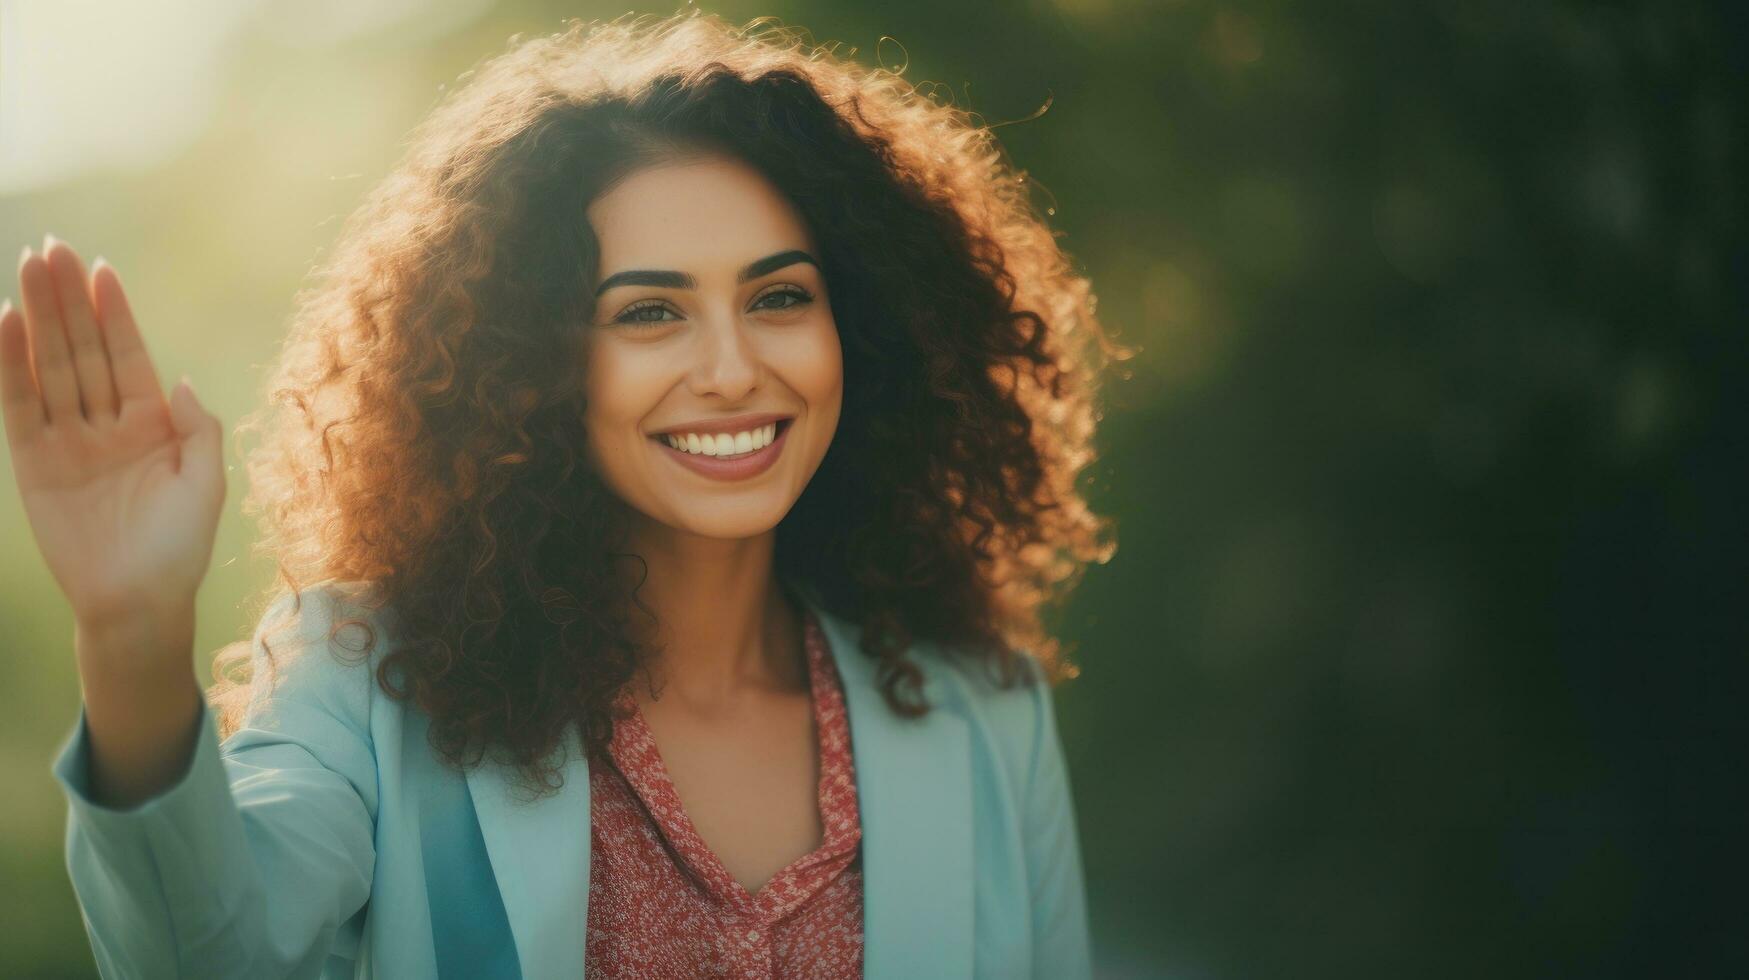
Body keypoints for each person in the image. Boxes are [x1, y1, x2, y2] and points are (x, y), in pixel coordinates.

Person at [2, 12, 1120, 979]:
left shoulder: (985, 701)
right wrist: (131, 636)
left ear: (856, 328)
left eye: (780, 296)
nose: (733, 367)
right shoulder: (368, 675)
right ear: (531, 363)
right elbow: (209, 954)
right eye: (649, 312)